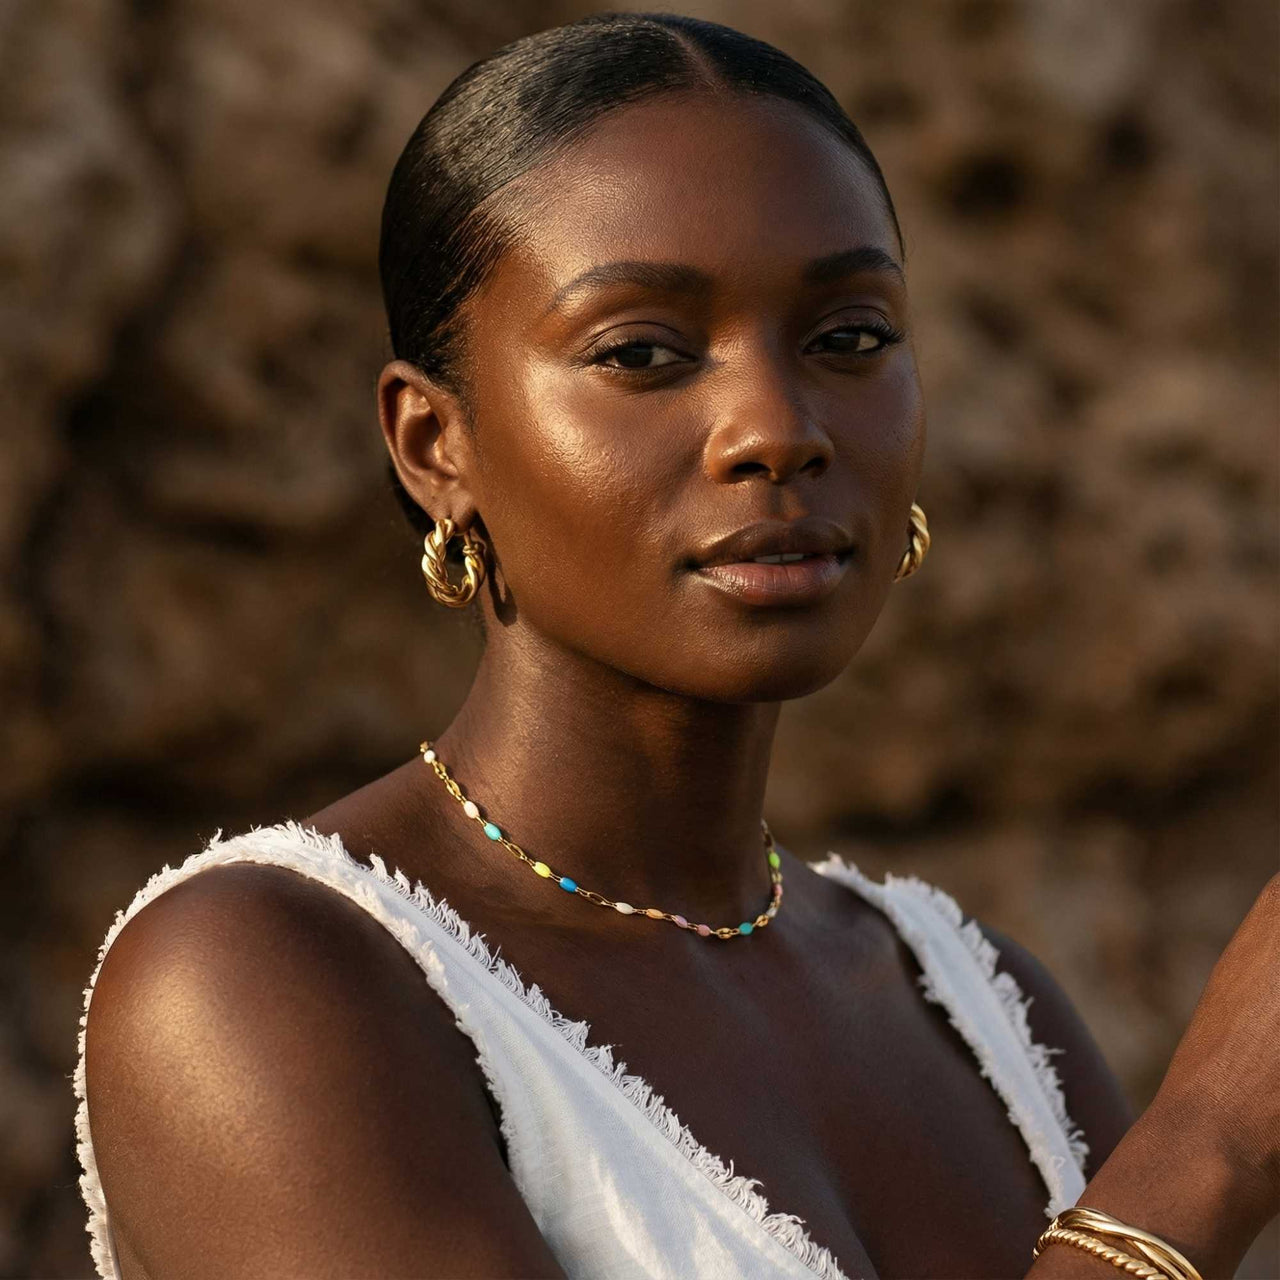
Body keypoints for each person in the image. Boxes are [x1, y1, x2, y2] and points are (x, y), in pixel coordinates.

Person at [73, 12, 1278, 1279]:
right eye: (640, 352)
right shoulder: (263, 981)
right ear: (437, 446)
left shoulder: (974, 1005)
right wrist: (1202, 1149)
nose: (774, 427)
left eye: (849, 338)